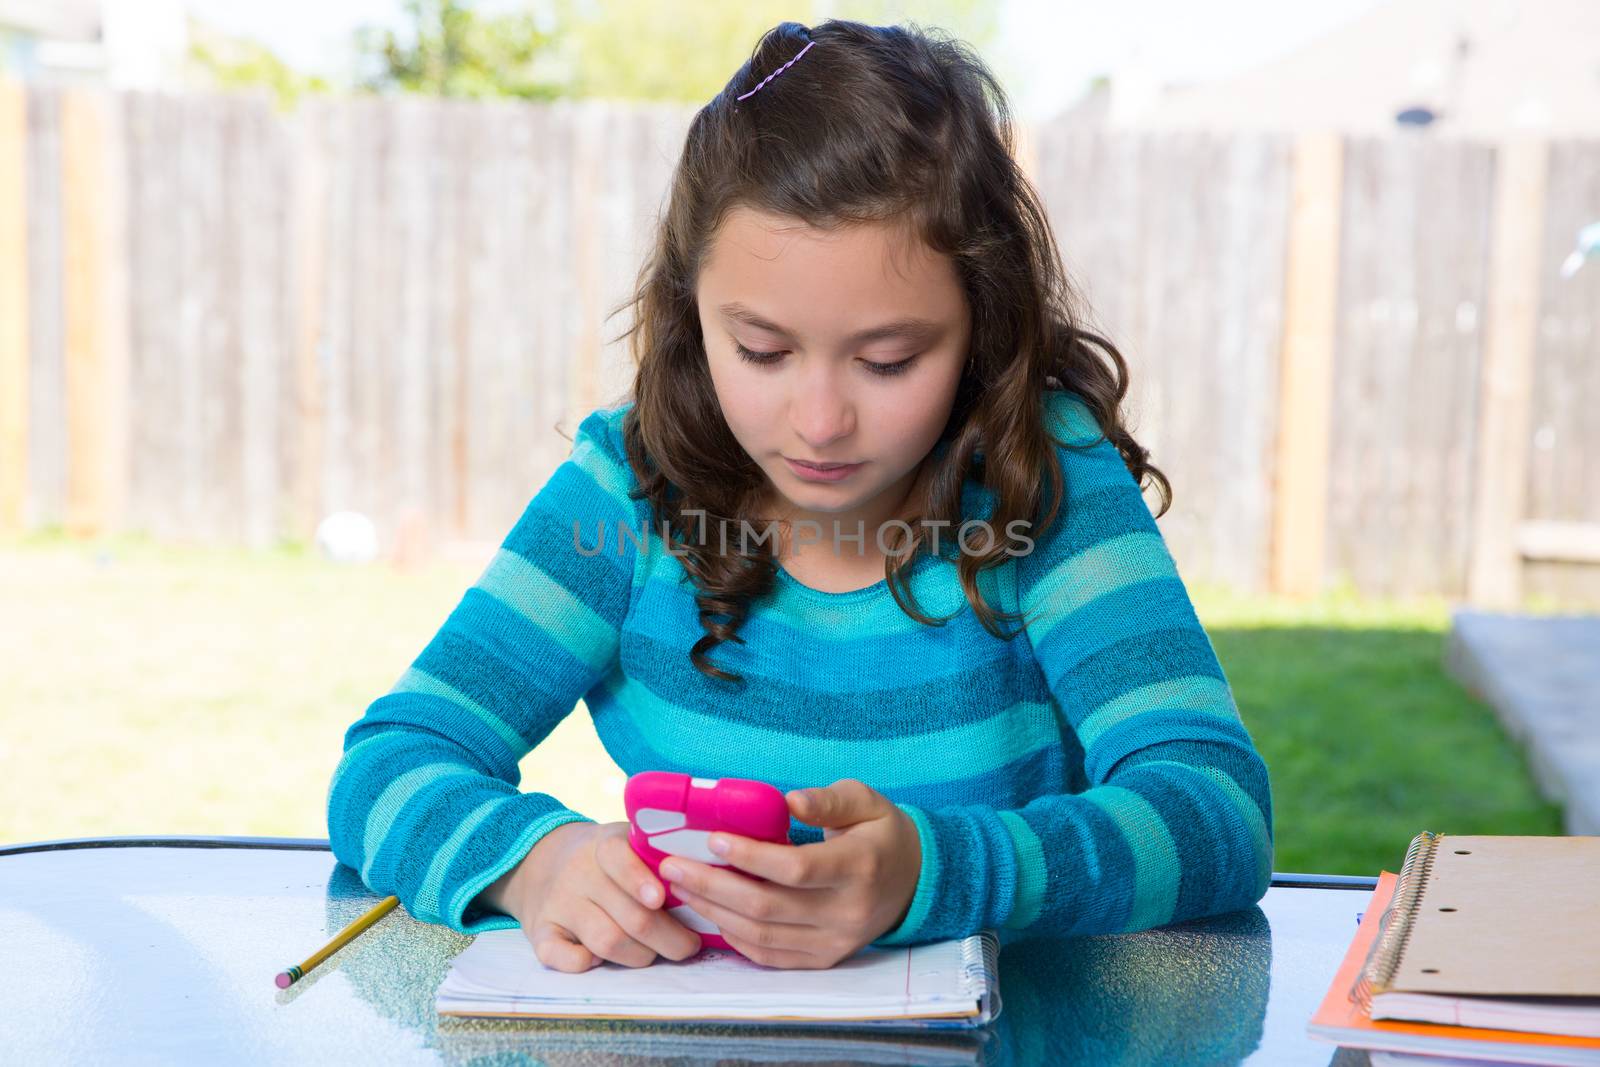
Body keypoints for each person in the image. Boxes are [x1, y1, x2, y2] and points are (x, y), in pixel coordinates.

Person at [325, 18, 1274, 974]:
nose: (820, 422)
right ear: (692, 313)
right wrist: (535, 864)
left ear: (984, 324)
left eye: (889, 359)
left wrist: (936, 874)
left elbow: (1216, 809)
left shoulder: (1045, 479)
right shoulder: (626, 492)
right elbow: (387, 764)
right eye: (764, 351)